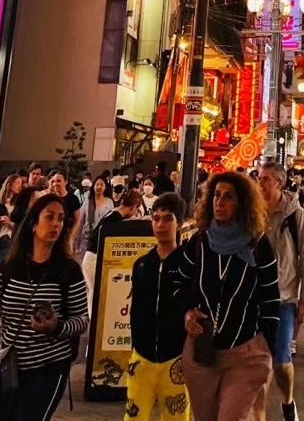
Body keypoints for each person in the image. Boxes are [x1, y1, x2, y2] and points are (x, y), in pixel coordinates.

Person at [0, 191, 89, 419]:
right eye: (50, 217)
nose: (56, 224)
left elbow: (82, 320)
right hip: (8, 367)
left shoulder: (69, 271)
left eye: (61, 219)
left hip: (49, 368)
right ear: (34, 224)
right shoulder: (9, 268)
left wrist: (57, 328)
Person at [174, 172, 279, 421]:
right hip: (203, 353)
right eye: (216, 196)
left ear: (241, 202)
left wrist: (269, 346)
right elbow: (178, 283)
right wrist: (187, 312)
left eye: (228, 197)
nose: (219, 203)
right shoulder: (200, 242)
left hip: (245, 354)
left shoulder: (258, 245)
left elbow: (271, 298)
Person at [255, 163, 304, 421]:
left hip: (284, 297)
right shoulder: (253, 213)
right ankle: (259, 413)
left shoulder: (295, 215)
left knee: (281, 359)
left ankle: (288, 401)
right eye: (259, 178)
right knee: (257, 363)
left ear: (279, 183)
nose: (261, 183)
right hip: (255, 298)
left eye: (266, 179)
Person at [127, 193, 188, 421]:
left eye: (167, 219)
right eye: (156, 218)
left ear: (179, 224)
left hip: (176, 360)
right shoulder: (141, 265)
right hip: (141, 359)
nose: (160, 225)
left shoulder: (188, 265)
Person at [83, 187, 143, 310]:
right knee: (96, 295)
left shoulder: (114, 214)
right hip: (94, 259)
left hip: (91, 258)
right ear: (134, 207)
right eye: (137, 210)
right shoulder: (115, 219)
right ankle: (94, 325)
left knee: (95, 294)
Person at [74, 175, 113, 260]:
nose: (99, 187)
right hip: (87, 240)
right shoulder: (87, 203)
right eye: (97, 184)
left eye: (101, 185)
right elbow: (80, 223)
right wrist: (77, 244)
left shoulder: (109, 202)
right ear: (93, 186)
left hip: (102, 240)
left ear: (105, 187)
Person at [46, 169, 81, 240]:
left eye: (58, 181)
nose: (55, 184)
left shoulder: (73, 198)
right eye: (53, 181)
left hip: (67, 235)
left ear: (66, 182)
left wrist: (71, 237)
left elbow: (77, 220)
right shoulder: (51, 199)